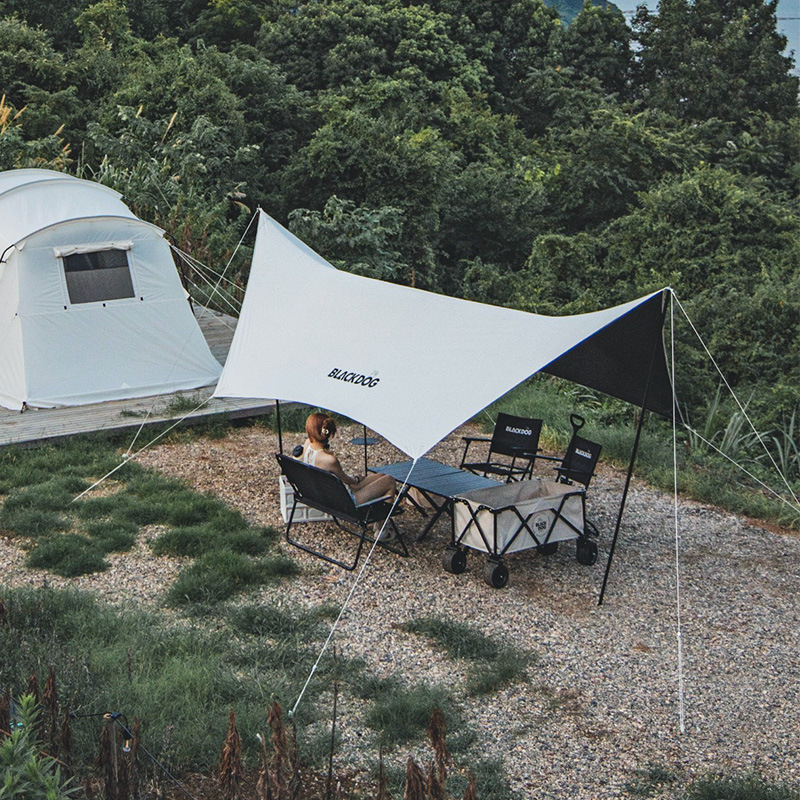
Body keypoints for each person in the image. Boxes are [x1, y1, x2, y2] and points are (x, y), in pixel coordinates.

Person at [300, 412, 396, 506]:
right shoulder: (329, 460)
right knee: (389, 480)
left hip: (322, 495)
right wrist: (357, 478)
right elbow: (347, 480)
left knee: (381, 476)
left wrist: (355, 480)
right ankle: (380, 521)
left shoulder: (307, 444)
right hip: (344, 503)